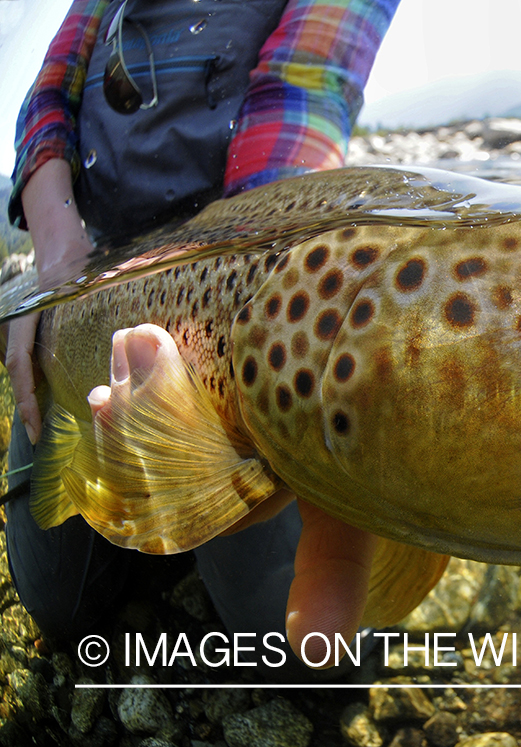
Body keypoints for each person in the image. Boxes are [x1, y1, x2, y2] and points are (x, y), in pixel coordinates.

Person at [5, 0, 399, 670]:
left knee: (286, 650)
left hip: (234, 286)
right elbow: (47, 102)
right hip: (91, 284)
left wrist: (259, 315)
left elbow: (301, 91)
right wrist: (57, 274)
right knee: (62, 609)